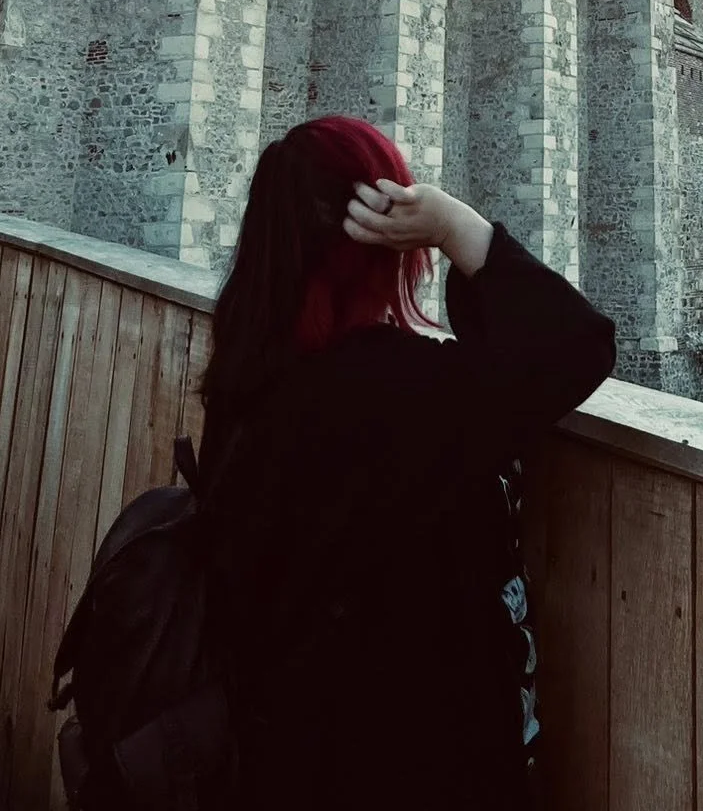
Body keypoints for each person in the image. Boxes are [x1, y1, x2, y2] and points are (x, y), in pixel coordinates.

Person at [197, 114, 616, 811]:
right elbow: (576, 344)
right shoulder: (400, 397)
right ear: (383, 239)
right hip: (410, 763)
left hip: (283, 754)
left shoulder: (249, 377)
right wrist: (454, 227)